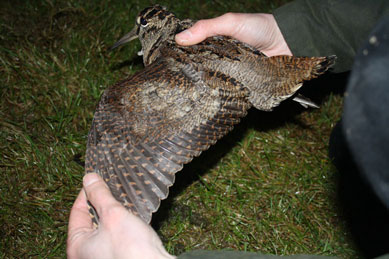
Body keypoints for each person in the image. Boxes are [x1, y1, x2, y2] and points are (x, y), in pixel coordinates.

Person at [67, 0, 389, 258]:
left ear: (150, 30)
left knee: (116, 106)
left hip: (253, 81)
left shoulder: (168, 60)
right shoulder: (189, 38)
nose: (135, 35)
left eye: (140, 28)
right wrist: (284, 33)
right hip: (252, 74)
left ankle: (115, 216)